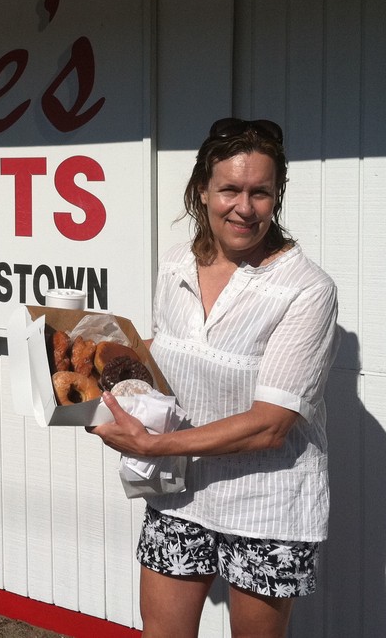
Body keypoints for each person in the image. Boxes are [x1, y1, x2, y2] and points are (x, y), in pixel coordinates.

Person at [90, 118, 339, 638]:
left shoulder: (305, 289)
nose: (244, 208)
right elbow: (170, 354)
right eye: (229, 189)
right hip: (180, 491)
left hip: (268, 505)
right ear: (202, 189)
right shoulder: (177, 263)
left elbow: (269, 426)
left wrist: (153, 445)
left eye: (260, 193)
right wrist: (100, 384)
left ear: (278, 196)